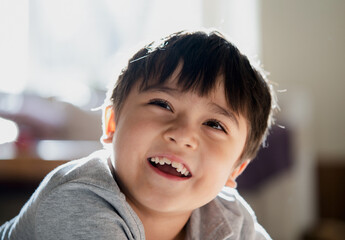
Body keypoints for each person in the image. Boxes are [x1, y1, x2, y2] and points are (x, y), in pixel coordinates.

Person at [0, 29, 276, 240]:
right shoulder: (77, 201)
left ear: (235, 170)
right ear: (112, 124)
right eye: (162, 104)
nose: (182, 135)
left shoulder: (230, 219)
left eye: (214, 124)